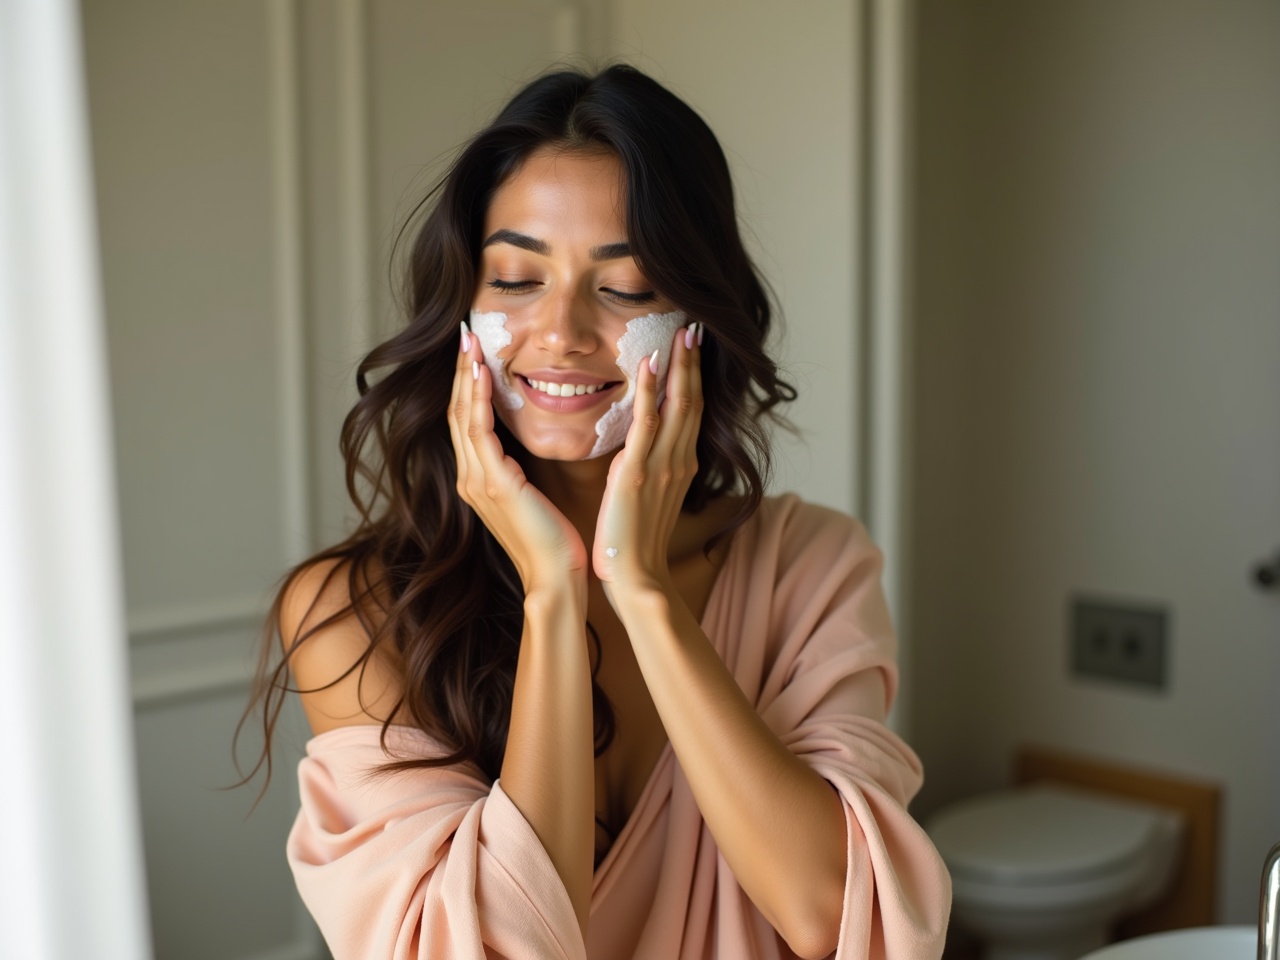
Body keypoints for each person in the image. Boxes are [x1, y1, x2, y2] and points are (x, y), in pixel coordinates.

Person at [241, 63, 951, 960]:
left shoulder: (811, 564)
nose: (564, 332)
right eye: (514, 278)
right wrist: (551, 589)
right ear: (461, 308)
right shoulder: (350, 613)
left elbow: (848, 921)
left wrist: (644, 593)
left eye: (625, 289)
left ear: (697, 319)